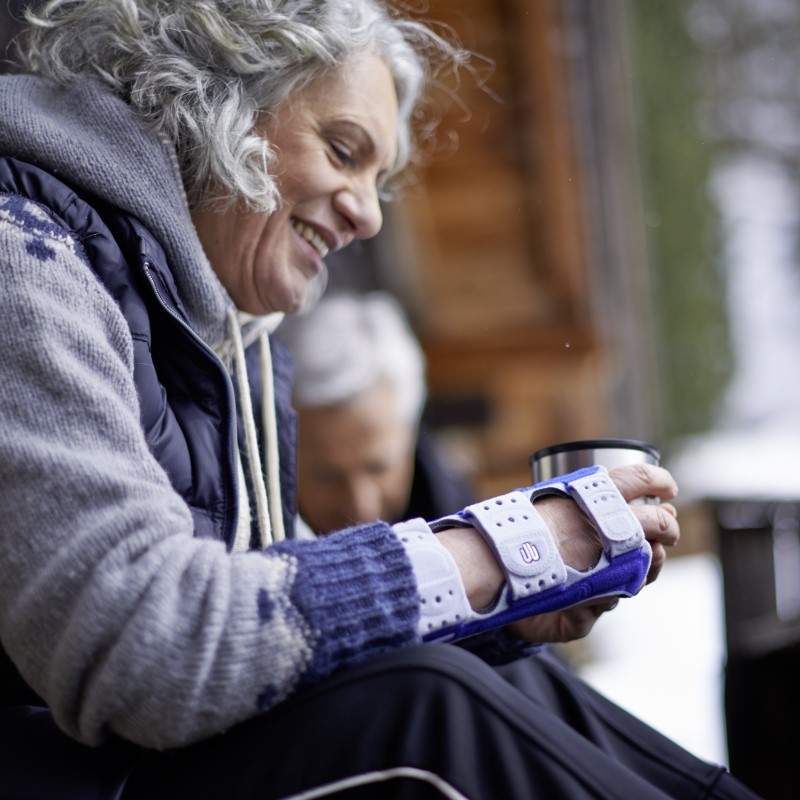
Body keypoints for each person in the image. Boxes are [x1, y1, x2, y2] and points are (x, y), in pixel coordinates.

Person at [0, 1, 758, 798]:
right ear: (208, 99)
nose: (367, 214)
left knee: (498, 670)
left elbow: (270, 624)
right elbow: (143, 648)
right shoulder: (24, 255)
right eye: (342, 150)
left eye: (377, 177)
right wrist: (495, 552)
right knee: (425, 708)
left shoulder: (225, 348)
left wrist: (500, 602)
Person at [276, 290, 473, 537]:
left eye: (378, 467)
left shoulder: (462, 522)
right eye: (327, 475)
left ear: (410, 434)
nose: (361, 506)